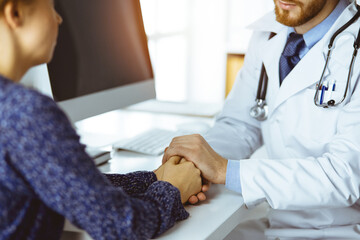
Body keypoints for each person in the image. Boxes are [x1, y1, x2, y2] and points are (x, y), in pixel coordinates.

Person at [0, 0, 203, 239]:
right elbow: (121, 226)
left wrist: (154, 178)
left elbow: (74, 185)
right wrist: (174, 189)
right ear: (15, 13)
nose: (59, 19)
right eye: (52, 6)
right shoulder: (26, 113)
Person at [163, 0, 360, 239]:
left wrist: (226, 171)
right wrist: (194, 164)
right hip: (275, 220)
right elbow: (240, 125)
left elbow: (345, 175)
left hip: (339, 230)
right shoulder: (269, 33)